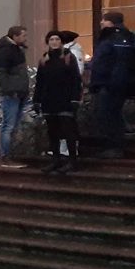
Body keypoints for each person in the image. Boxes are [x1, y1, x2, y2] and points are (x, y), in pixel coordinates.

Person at [34, 31, 83, 174]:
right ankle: (55, 160)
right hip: (49, 100)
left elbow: (76, 79)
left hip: (65, 99)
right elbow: (40, 81)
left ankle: (72, 161)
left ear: (61, 41)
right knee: (52, 132)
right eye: (51, 39)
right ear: (48, 42)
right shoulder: (44, 59)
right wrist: (37, 100)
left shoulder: (68, 57)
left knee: (69, 131)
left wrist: (75, 98)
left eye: (57, 39)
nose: (54, 42)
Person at [90, 13, 135, 159]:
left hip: (111, 84)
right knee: (106, 114)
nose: (101, 23)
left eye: (104, 20)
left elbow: (121, 62)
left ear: (112, 22)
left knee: (110, 114)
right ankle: (111, 146)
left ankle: (115, 147)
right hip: (105, 82)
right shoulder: (110, 37)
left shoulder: (119, 37)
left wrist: (113, 83)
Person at [0, 26, 29, 163]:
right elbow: (0, 74)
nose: (25, 38)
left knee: (14, 126)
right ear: (15, 37)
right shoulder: (5, 53)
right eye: (23, 35)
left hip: (19, 93)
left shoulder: (17, 51)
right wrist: (11, 90)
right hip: (11, 95)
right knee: (8, 126)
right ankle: (6, 155)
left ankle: (11, 154)